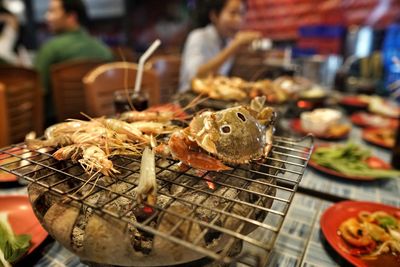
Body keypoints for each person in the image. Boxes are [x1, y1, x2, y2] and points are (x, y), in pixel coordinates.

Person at [35, 0, 113, 126]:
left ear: (71, 17)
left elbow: (38, 90)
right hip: (100, 124)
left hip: (58, 126)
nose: (47, 17)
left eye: (52, 11)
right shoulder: (103, 50)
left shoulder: (50, 49)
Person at [179, 0, 261, 92]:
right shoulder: (198, 37)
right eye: (232, 13)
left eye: (242, 14)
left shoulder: (228, 40)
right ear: (214, 15)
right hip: (189, 98)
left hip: (214, 99)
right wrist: (234, 46)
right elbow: (197, 76)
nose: (239, 20)